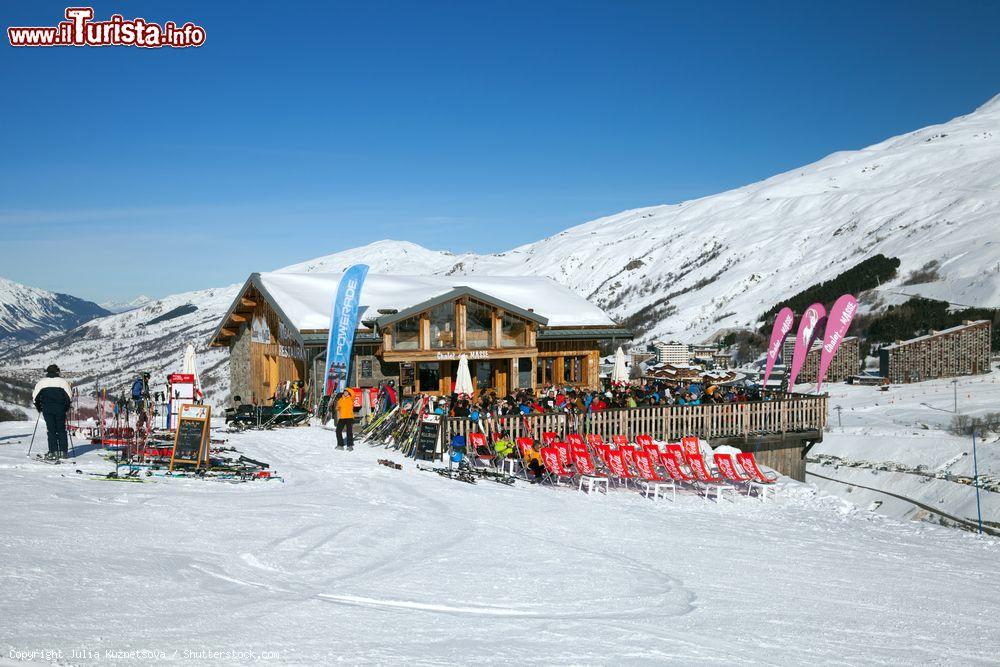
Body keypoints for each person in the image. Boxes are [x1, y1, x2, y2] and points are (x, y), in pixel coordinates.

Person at [32, 364, 72, 459]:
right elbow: (69, 398)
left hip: (47, 409)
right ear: (57, 371)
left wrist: (39, 407)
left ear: (48, 372)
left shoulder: (41, 382)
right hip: (60, 409)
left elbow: (35, 398)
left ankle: (53, 452)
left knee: (51, 430)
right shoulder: (63, 382)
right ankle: (63, 452)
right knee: (61, 429)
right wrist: (65, 408)